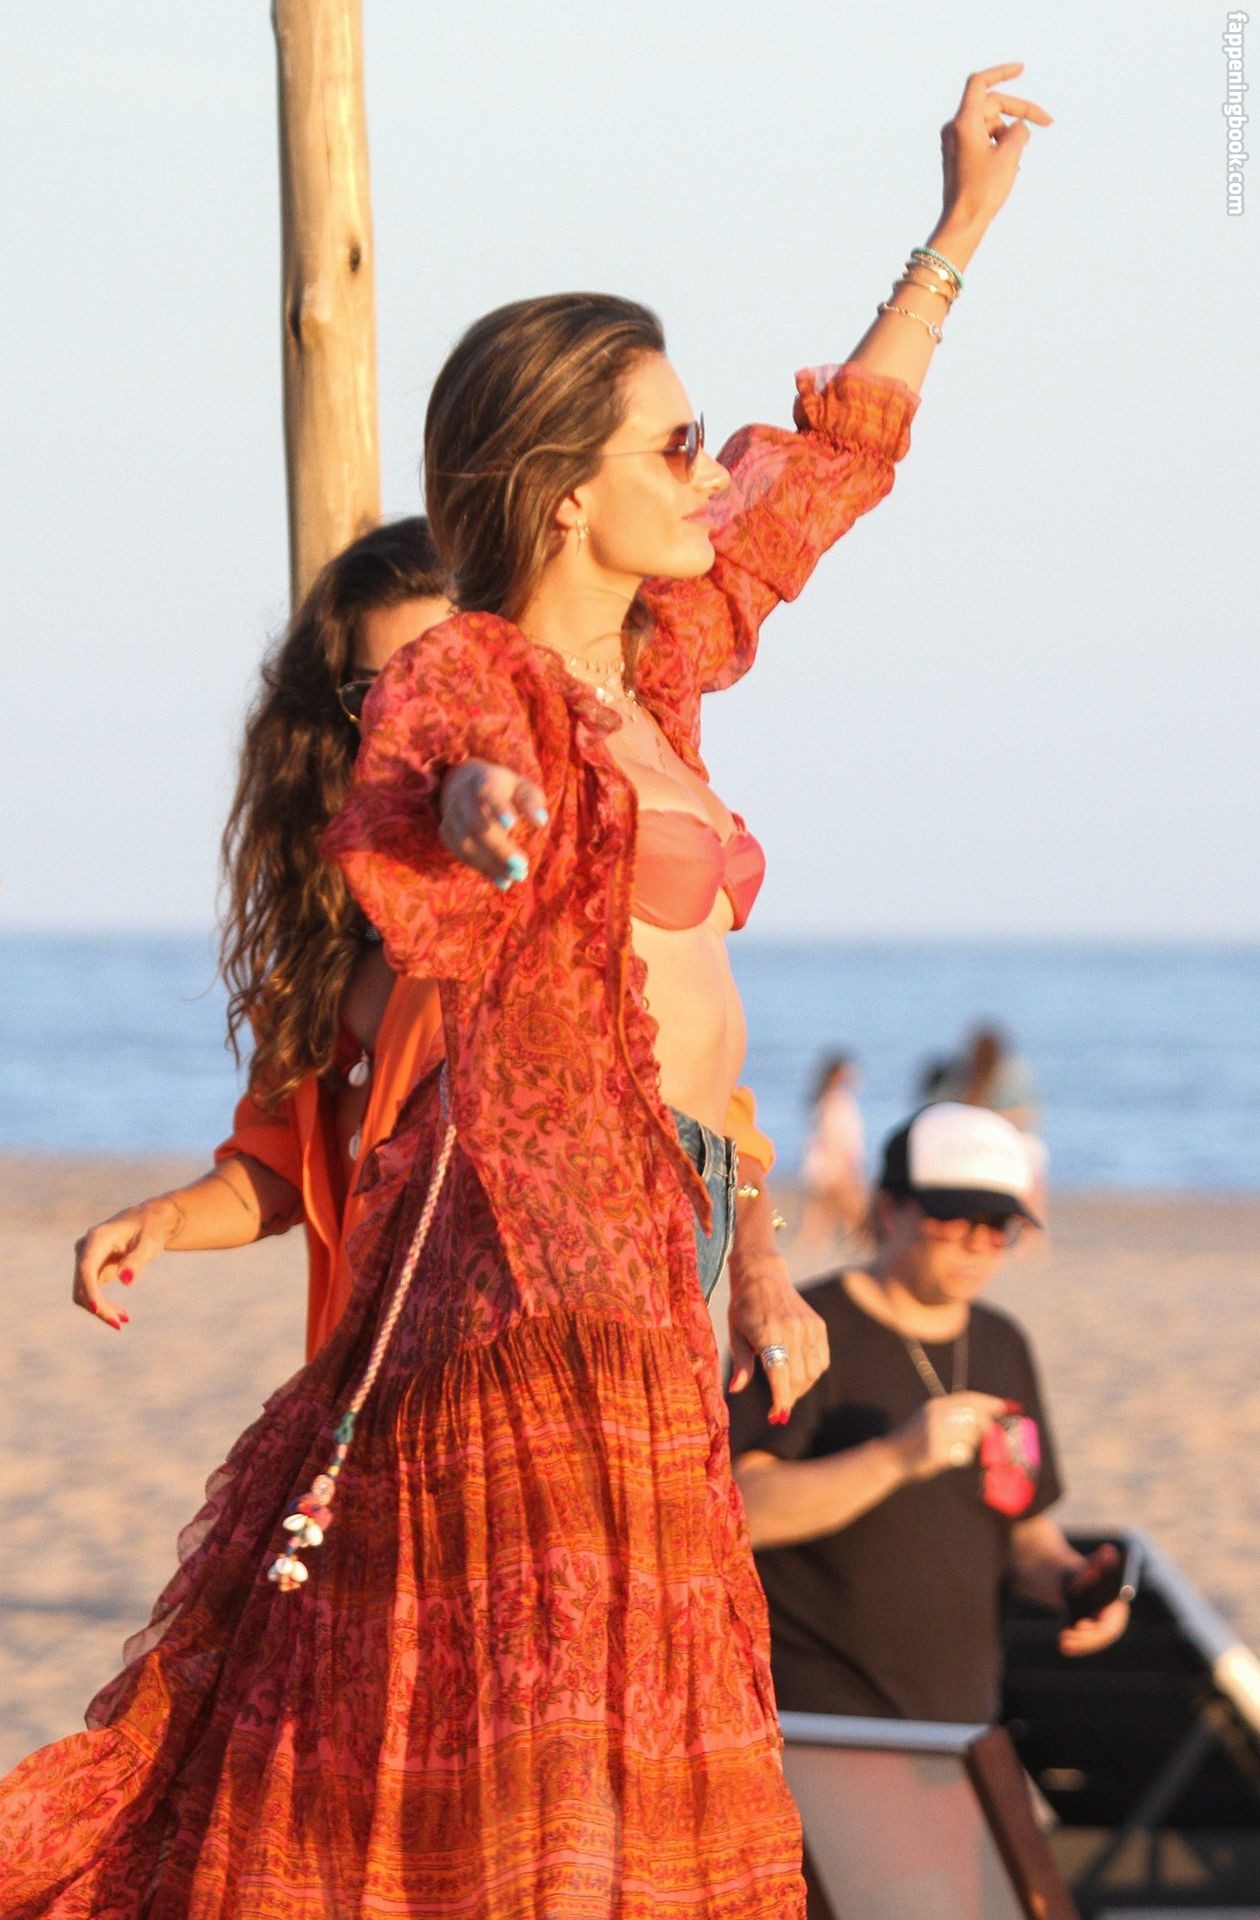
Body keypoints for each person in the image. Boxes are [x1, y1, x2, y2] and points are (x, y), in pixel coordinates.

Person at [1, 64, 1051, 1916]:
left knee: (621, 1764)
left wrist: (956, 228)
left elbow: (830, 472)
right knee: (535, 1769)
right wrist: (480, 815)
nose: (705, 468)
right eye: (673, 443)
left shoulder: (670, 653)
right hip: (528, 1295)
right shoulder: (473, 677)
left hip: (653, 1267)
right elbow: (426, 776)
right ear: (566, 495)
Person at [69, 518, 452, 1360]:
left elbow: (686, 1083)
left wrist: (747, 1236)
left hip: (493, 1388)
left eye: (441, 680)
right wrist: (163, 1218)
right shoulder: (335, 930)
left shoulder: (537, 902)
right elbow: (280, 1170)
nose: (409, 719)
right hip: (357, 1381)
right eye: (374, 692)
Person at [729, 1102, 1129, 1727]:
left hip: (960, 1721)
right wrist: (896, 1458)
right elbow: (735, 1511)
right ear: (890, 1210)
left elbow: (1022, 1527)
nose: (976, 1245)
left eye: (998, 1227)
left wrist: (1074, 1584)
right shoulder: (805, 1328)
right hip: (814, 1719)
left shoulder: (1002, 1342)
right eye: (952, 1219)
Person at [798, 1051, 868, 1245]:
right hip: (833, 1162)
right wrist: (845, 1165)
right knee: (847, 1205)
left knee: (822, 1208)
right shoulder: (836, 1101)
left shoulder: (825, 1099)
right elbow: (834, 1136)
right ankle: (859, 1239)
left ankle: (811, 1242)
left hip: (824, 1162)